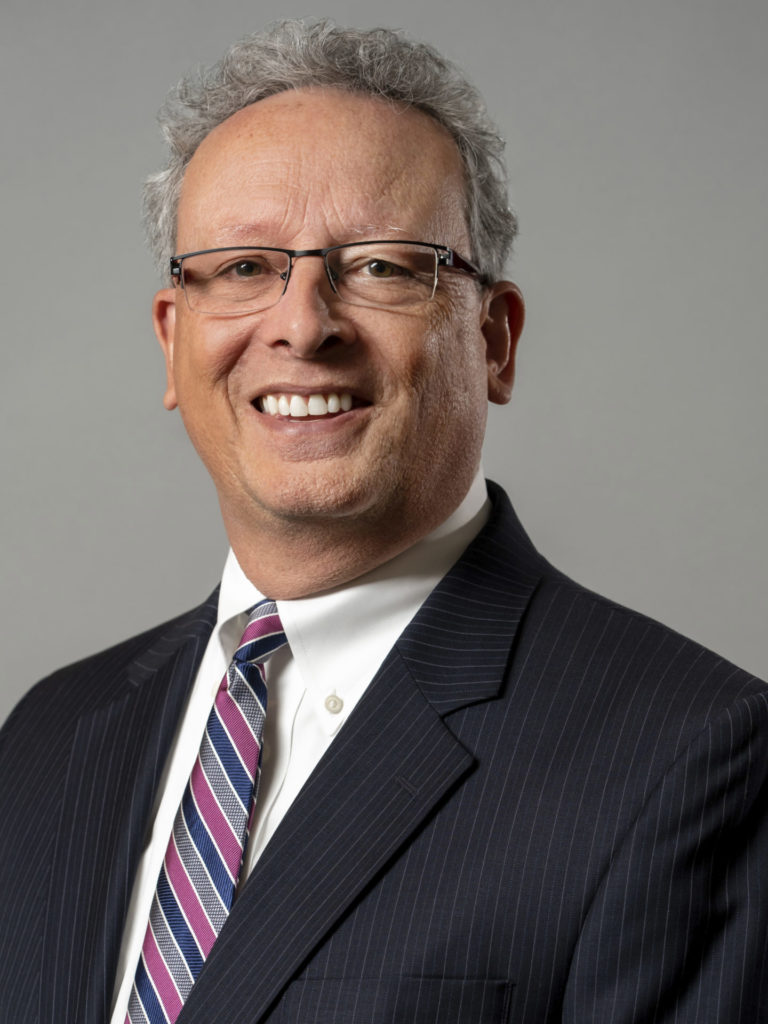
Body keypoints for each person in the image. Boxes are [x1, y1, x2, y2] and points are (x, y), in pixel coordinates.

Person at [1, 20, 766, 1024]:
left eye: (383, 266)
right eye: (242, 268)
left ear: (494, 341)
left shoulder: (688, 755)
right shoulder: (52, 734)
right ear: (173, 339)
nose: (303, 323)